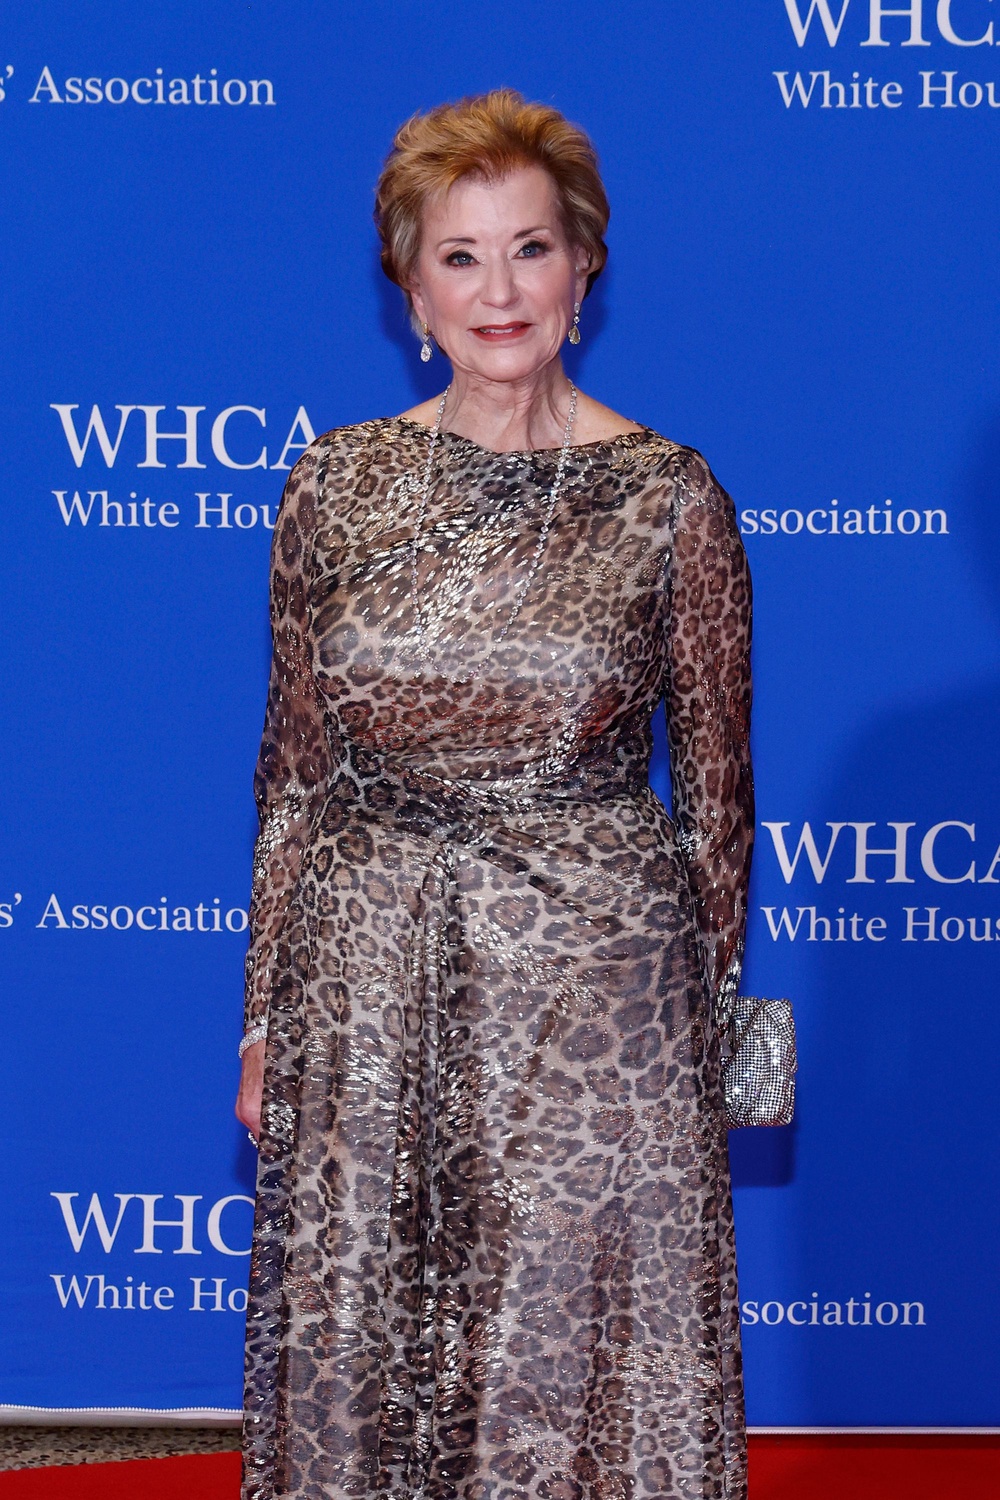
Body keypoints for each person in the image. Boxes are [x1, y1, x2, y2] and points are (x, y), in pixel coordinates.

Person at [235, 88, 754, 1500]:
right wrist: (264, 1015)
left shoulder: (670, 500)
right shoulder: (333, 485)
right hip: (367, 976)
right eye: (459, 256)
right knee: (371, 1343)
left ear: (584, 266)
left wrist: (687, 1033)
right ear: (409, 283)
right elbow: (294, 771)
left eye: (529, 248)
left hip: (594, 1000)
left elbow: (717, 803)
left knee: (557, 1360)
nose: (499, 289)